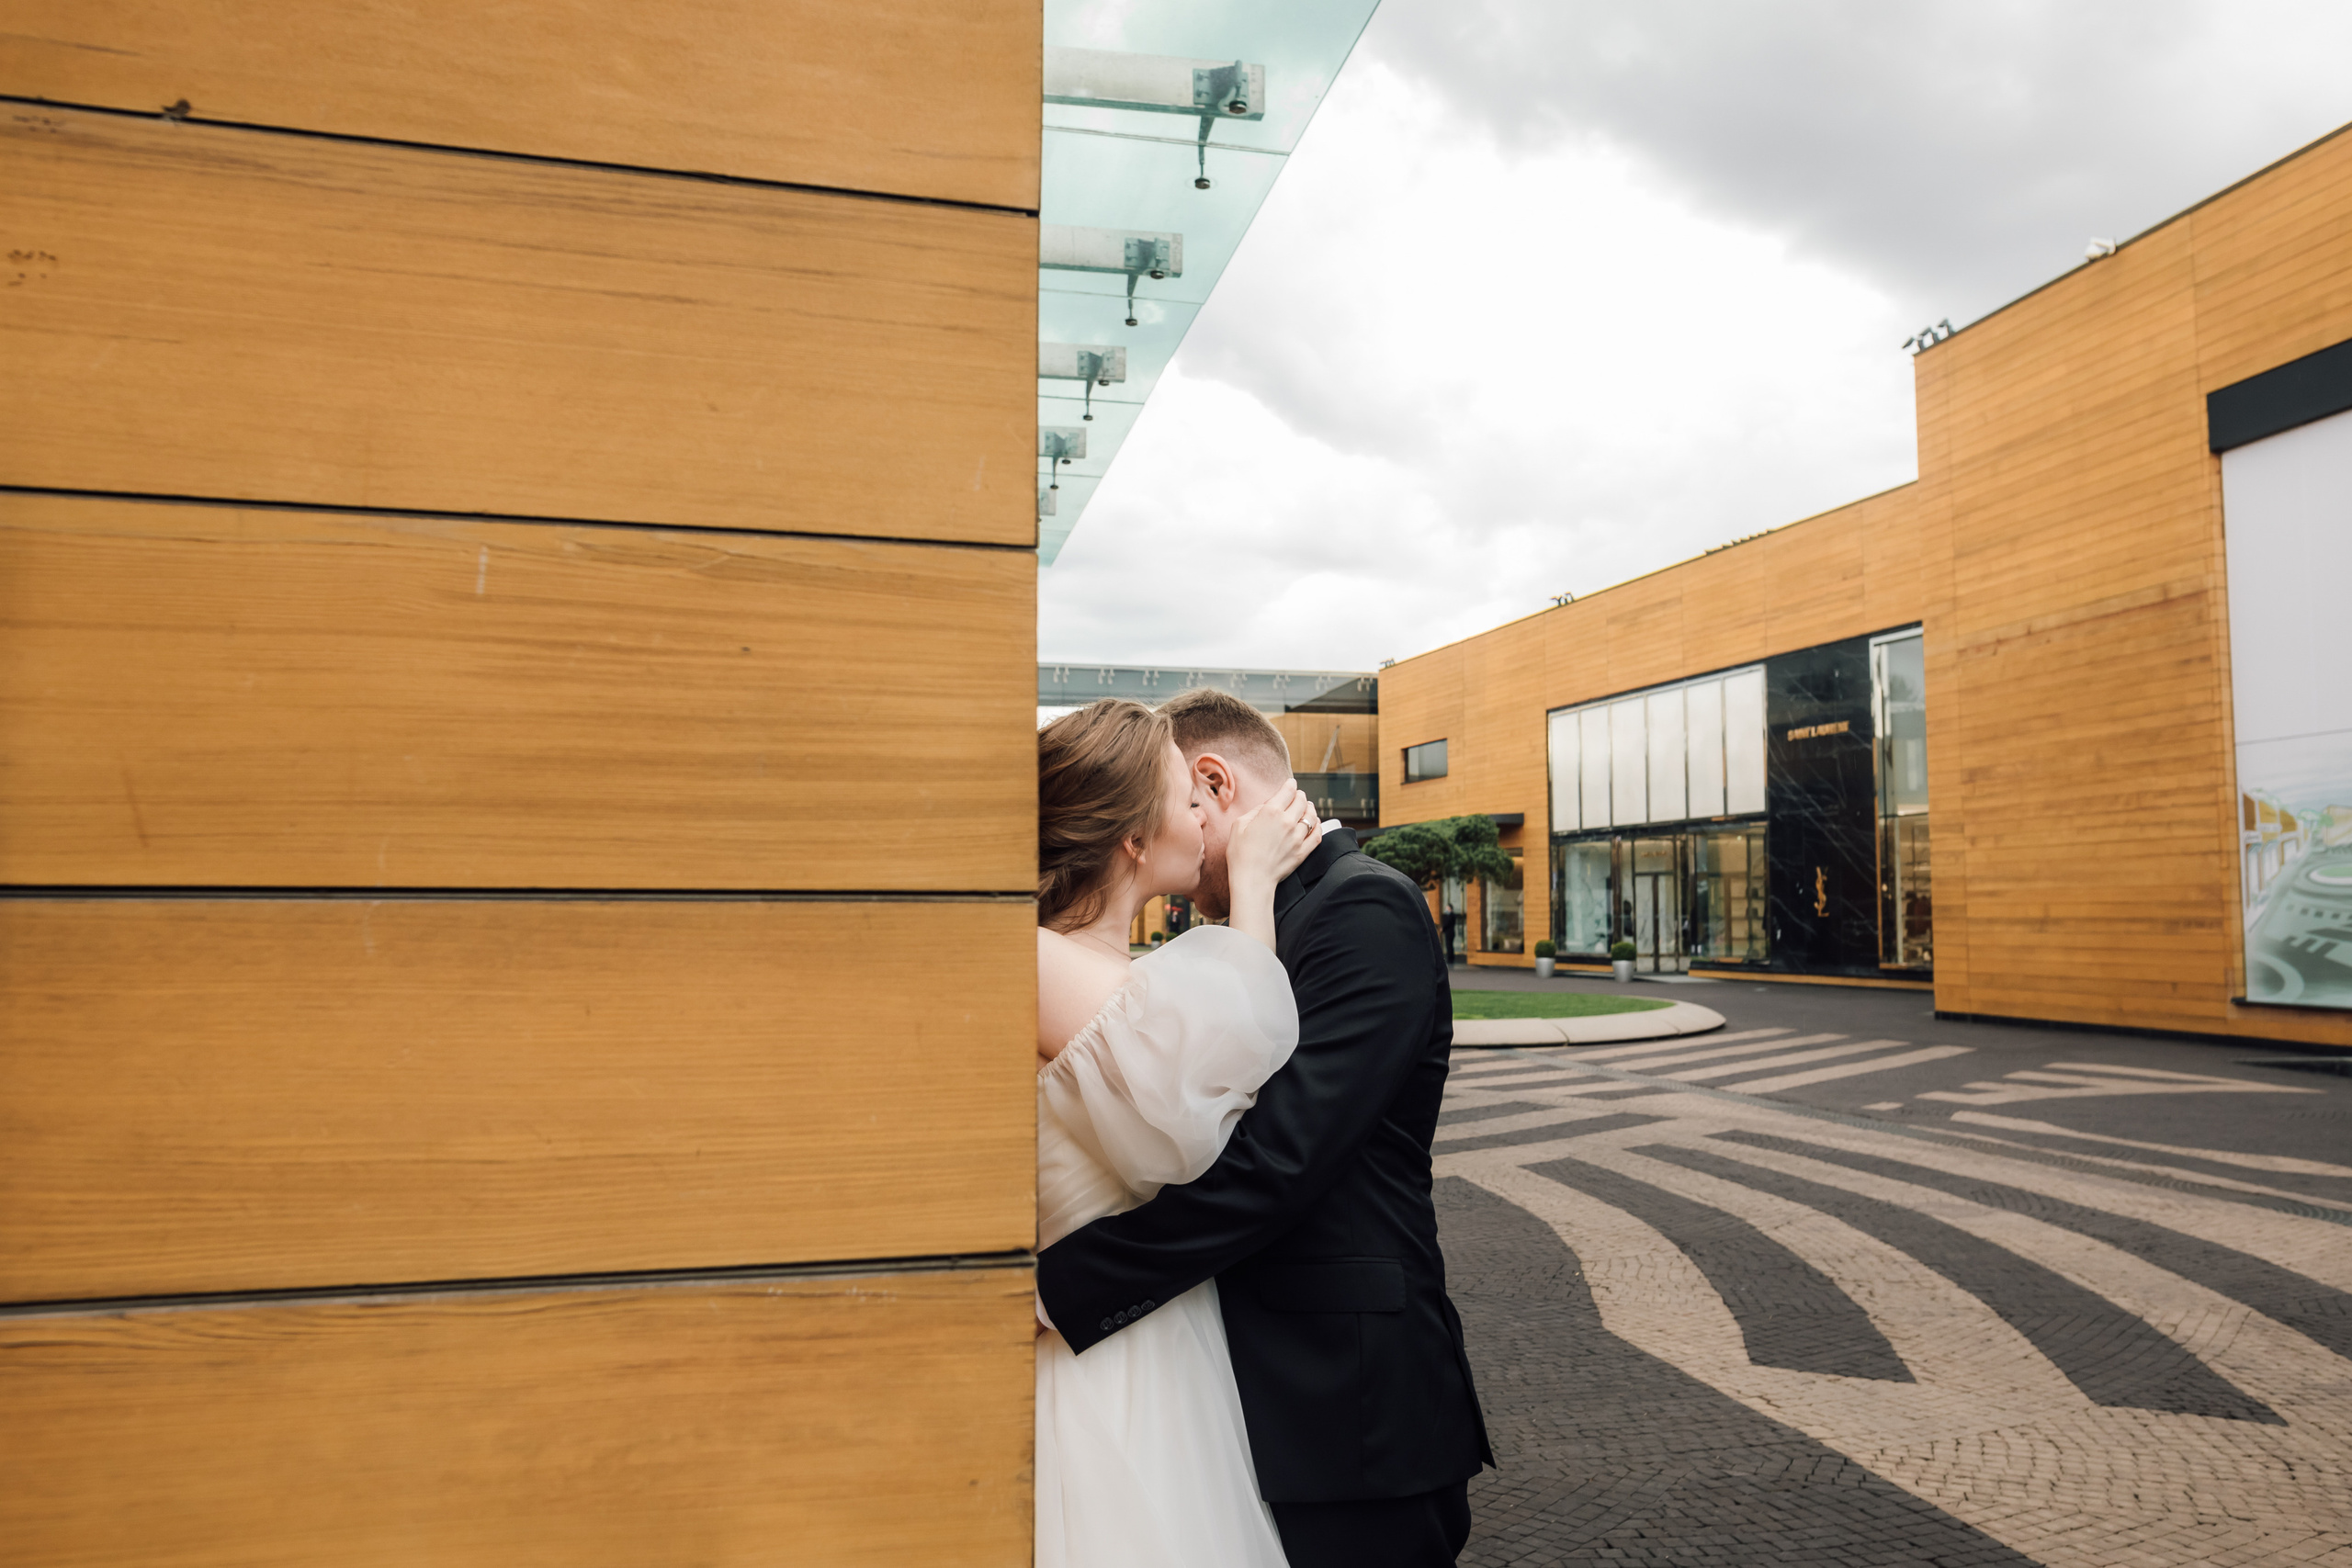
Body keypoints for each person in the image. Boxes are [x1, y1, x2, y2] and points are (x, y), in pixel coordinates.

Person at [1041, 687, 1493, 1568]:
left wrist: (1066, 1286)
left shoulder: (1364, 910)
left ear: (1213, 784)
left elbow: (1278, 1160)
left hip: (1345, 1407)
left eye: (1181, 799)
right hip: (1227, 1395)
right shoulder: (1206, 940)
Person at [1035, 697, 1324, 1567]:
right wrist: (1259, 886)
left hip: (1163, 1340)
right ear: (1132, 837)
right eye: (1180, 795)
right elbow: (1196, 1110)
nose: (1202, 814)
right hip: (1095, 1365)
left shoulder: (1121, 975)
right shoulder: (1035, 959)